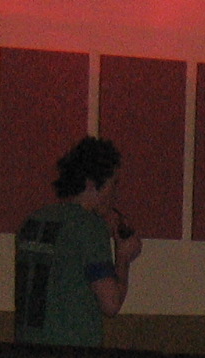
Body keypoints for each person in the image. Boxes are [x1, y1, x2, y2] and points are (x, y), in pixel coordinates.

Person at [14, 136, 142, 346]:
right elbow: (111, 303)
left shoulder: (33, 222)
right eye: (113, 184)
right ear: (92, 183)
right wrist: (123, 258)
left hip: (26, 351)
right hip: (73, 355)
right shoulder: (89, 227)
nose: (115, 194)